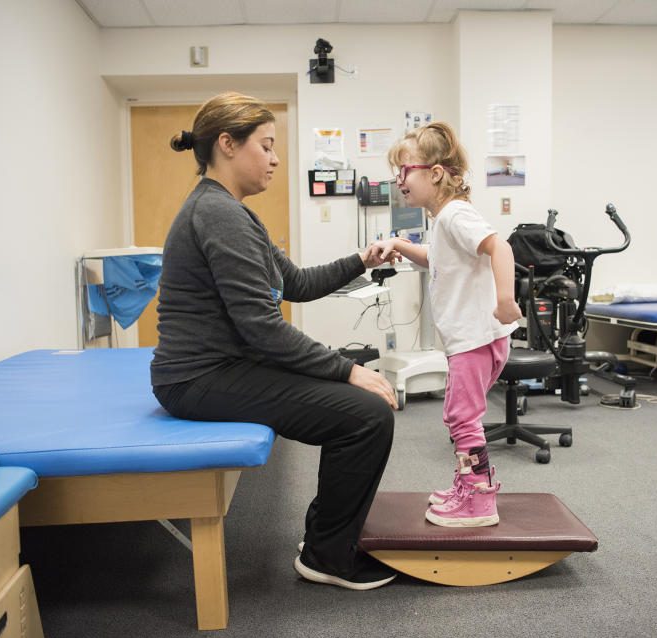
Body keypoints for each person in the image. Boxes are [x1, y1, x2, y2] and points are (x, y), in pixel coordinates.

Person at [151, 92, 399, 590]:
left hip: (219, 368)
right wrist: (348, 368)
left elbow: (297, 284)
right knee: (365, 417)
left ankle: (326, 542)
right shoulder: (217, 213)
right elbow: (262, 327)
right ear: (227, 144)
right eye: (265, 146)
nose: (275, 158)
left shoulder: (233, 212)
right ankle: (328, 557)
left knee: (359, 409)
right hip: (199, 379)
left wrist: (361, 260)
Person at [366, 122, 520, 527]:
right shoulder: (445, 219)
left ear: (434, 173)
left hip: (475, 338)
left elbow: (499, 246)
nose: (398, 181)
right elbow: (437, 258)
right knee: (461, 415)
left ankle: (479, 500)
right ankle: (468, 484)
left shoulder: (454, 214)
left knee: (460, 417)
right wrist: (399, 244)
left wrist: (505, 298)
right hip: (472, 339)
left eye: (405, 171)